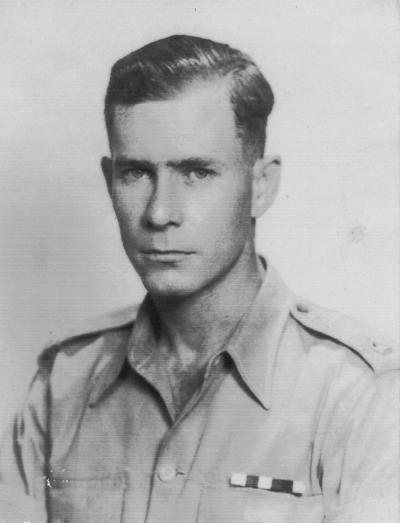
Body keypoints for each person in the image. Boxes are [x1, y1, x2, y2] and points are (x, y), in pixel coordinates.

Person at [0, 34, 398, 523]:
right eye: (136, 173)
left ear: (261, 186)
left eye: (197, 173)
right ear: (110, 182)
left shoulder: (358, 396)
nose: (160, 212)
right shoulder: (62, 384)